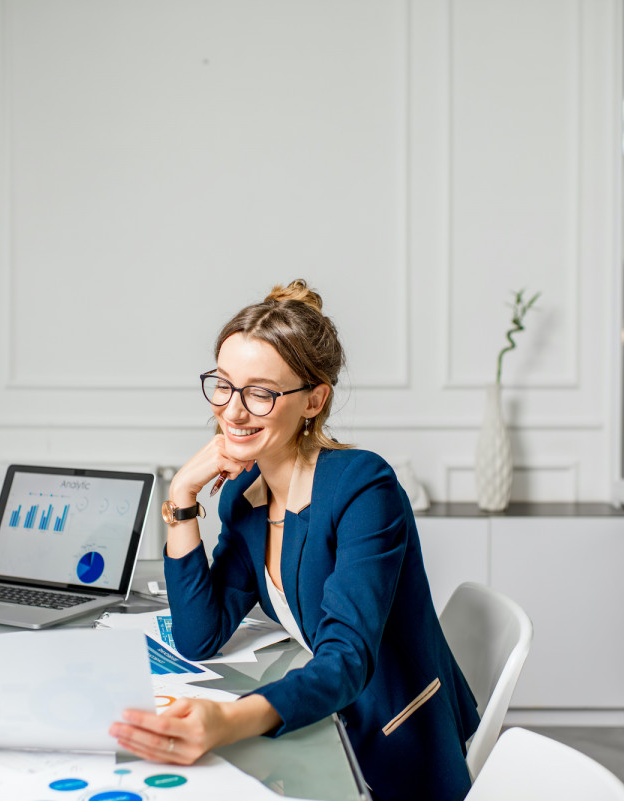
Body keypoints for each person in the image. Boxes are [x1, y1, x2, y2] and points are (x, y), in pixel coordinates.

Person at [110, 280, 480, 801]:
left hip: (392, 746)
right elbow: (200, 635)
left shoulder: (363, 486)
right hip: (321, 724)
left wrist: (231, 719)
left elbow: (346, 657)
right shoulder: (245, 494)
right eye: (224, 384)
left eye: (261, 392)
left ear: (314, 399)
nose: (233, 411)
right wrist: (182, 496)